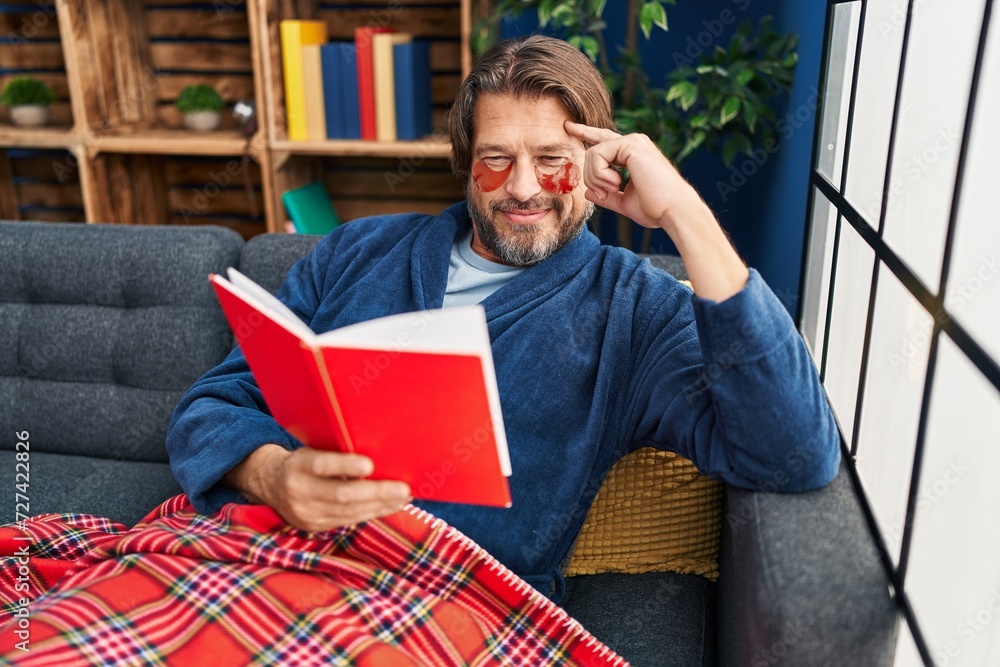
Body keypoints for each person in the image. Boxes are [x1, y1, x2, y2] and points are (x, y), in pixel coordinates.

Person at [166, 35, 840, 604]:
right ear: (466, 163)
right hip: (264, 556)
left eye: (551, 161)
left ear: (597, 165)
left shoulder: (636, 310)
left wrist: (681, 213)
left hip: (445, 606)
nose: (522, 187)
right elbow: (212, 403)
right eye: (496, 159)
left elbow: (793, 451)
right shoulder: (356, 250)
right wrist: (273, 475)